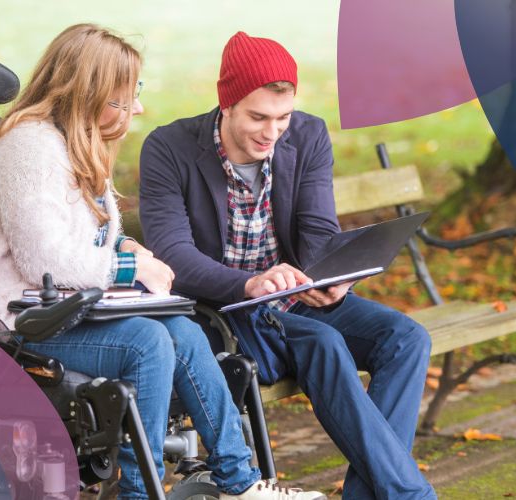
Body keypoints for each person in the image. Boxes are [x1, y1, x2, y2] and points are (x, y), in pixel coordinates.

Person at [0, 24, 325, 500]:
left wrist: (129, 249)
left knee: (183, 331)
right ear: (87, 93)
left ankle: (240, 483)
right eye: (123, 100)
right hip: (5, 322)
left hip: (59, 312)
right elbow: (45, 258)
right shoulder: (29, 147)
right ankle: (138, 494)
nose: (137, 109)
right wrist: (130, 269)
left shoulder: (75, 143)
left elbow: (87, 236)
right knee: (147, 342)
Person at [139, 31, 437, 500]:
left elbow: (317, 230)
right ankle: (411, 495)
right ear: (227, 103)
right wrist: (250, 283)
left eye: (282, 117)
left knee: (405, 339)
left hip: (292, 296)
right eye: (258, 117)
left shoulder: (308, 135)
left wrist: (331, 276)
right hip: (223, 309)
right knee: (323, 342)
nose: (271, 132)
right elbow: (173, 255)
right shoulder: (169, 148)